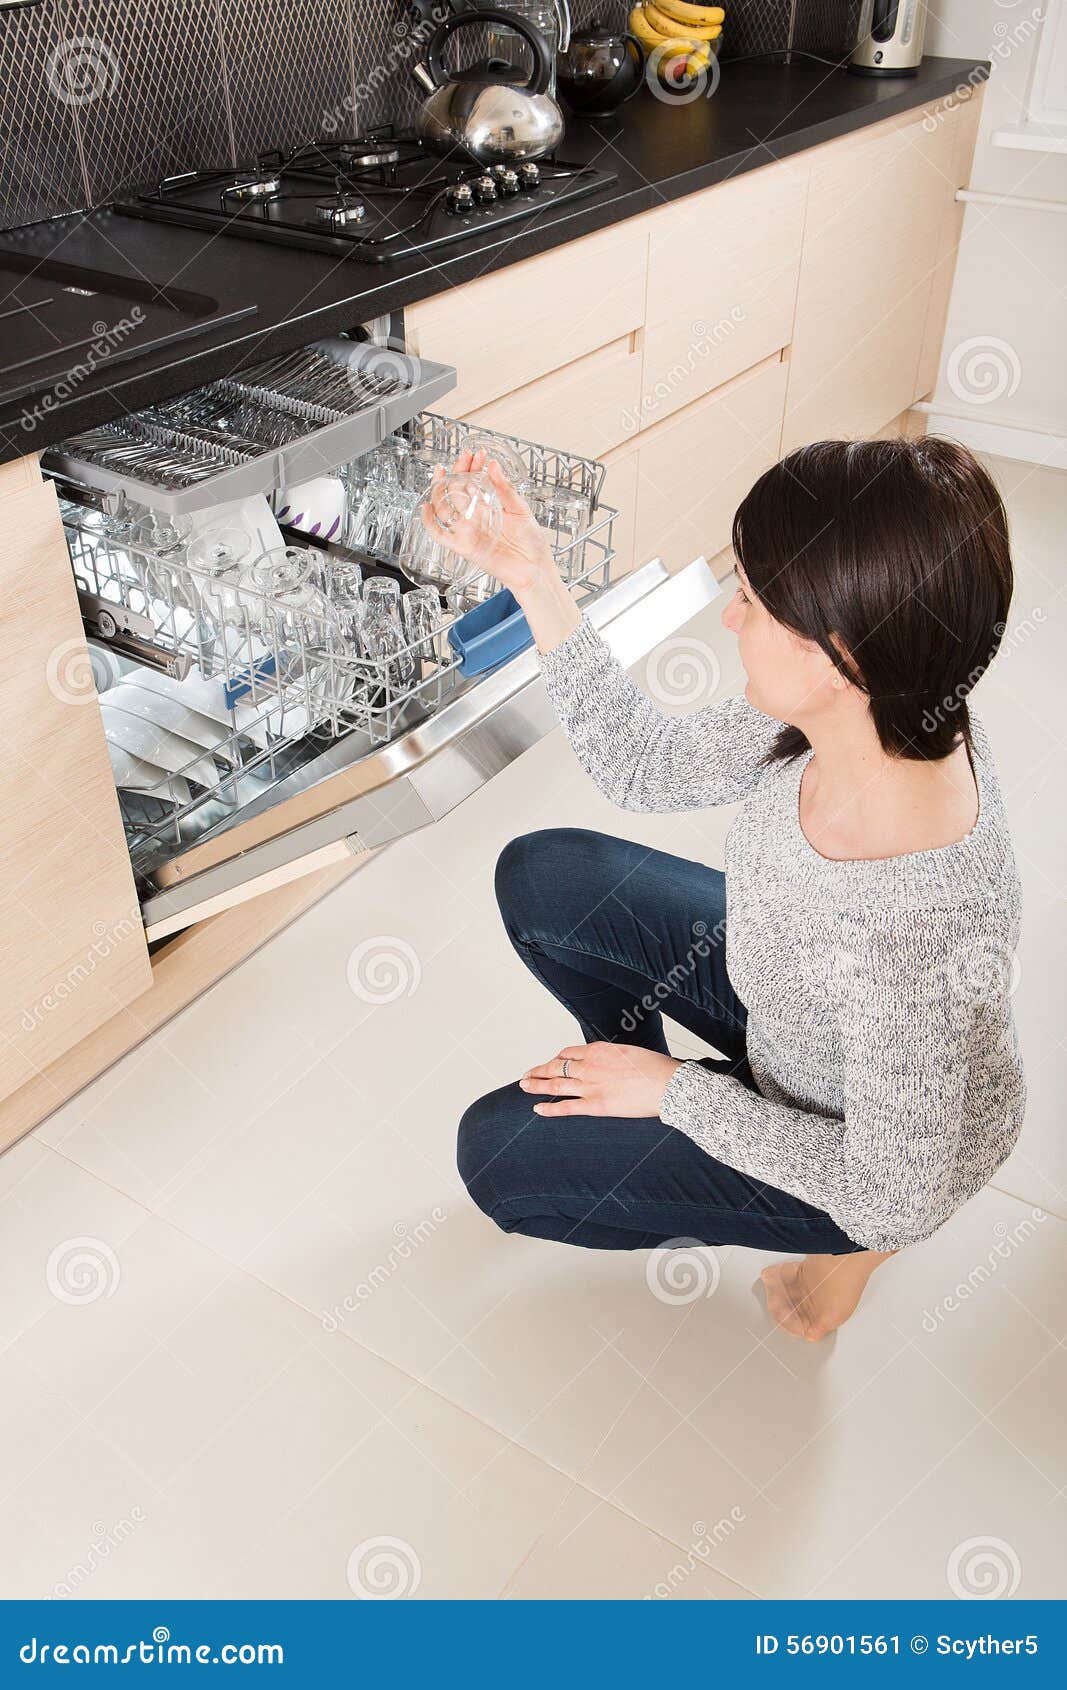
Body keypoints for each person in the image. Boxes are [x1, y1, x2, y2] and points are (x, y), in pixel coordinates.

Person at [422, 436, 1025, 1342]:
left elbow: (890, 1194)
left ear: (837, 650)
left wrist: (677, 1095)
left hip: (871, 1156)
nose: (726, 618)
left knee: (497, 1159)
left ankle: (826, 1250)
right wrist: (533, 575)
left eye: (748, 596)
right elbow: (644, 766)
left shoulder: (918, 926)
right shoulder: (871, 703)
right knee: (547, 874)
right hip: (793, 1014)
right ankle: (621, 1088)